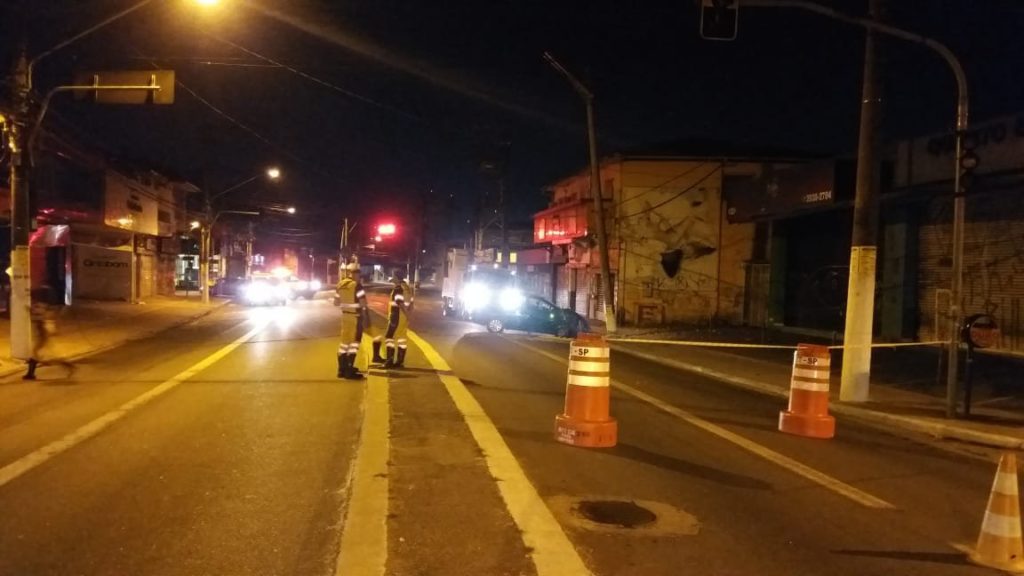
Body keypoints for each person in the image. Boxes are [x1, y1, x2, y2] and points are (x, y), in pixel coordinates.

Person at [24, 284, 72, 380]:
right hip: (40, 333)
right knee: (39, 355)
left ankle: (30, 374)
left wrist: (29, 310)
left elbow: (39, 317)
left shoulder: (39, 306)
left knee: (38, 354)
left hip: (41, 334)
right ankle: (66, 365)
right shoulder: (41, 305)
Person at [335, 261, 370, 380]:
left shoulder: (340, 284)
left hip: (345, 317)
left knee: (344, 343)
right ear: (356, 275)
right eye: (359, 276)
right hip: (355, 318)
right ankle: (350, 370)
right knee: (354, 343)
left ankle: (341, 369)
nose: (360, 278)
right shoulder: (357, 285)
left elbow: (336, 302)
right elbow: (363, 303)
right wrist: (366, 317)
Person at [383, 269, 414, 368]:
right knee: (402, 339)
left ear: (396, 277)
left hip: (396, 316)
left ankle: (389, 361)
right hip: (404, 318)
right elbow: (411, 303)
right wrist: (408, 315)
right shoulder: (407, 288)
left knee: (389, 337)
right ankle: (400, 362)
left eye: (393, 276)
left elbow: (400, 303)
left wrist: (406, 313)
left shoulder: (398, 289)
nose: (392, 277)